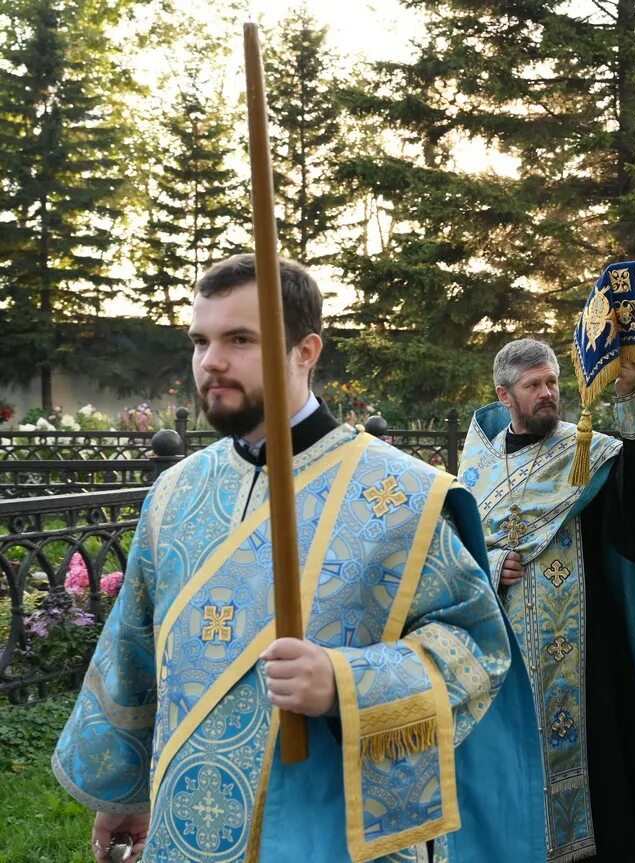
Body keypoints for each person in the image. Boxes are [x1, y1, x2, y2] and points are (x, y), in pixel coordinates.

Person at [53, 255, 523, 863]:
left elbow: (477, 650)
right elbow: (135, 649)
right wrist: (128, 788)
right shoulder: (176, 493)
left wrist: (345, 682)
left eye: (240, 339)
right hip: (185, 824)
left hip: (324, 829)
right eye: (201, 340)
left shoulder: (401, 496)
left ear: (306, 351)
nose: (211, 361)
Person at [452, 339, 635, 863]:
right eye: (533, 386)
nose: (547, 394)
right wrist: (491, 567)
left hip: (582, 662)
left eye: (552, 382)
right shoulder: (474, 465)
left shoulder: (591, 455)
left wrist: (631, 406)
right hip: (498, 654)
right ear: (504, 396)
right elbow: (452, 553)